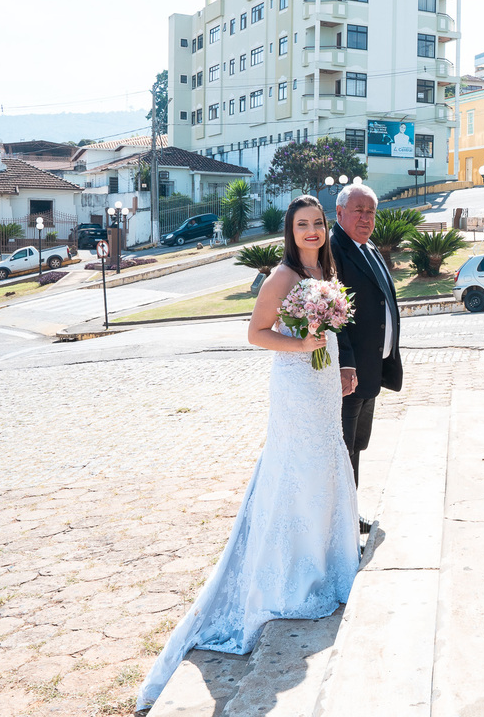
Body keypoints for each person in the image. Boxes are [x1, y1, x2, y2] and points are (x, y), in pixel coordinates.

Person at [136, 195, 359, 710]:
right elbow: (256, 334)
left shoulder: (327, 268)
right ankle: (294, 575)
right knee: (297, 469)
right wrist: (303, 347)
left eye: (317, 224)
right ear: (290, 230)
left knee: (327, 464)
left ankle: (331, 561)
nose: (311, 231)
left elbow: (327, 330)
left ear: (326, 228)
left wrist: (339, 362)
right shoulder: (281, 277)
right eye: (302, 225)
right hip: (294, 384)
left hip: (323, 381)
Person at [331, 182, 402, 529]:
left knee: (356, 446)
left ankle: (349, 512)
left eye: (371, 211)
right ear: (340, 212)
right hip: (350, 375)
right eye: (358, 210)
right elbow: (334, 317)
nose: (365, 217)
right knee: (342, 452)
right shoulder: (334, 251)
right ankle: (341, 521)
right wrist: (346, 364)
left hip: (371, 371)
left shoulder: (367, 247)